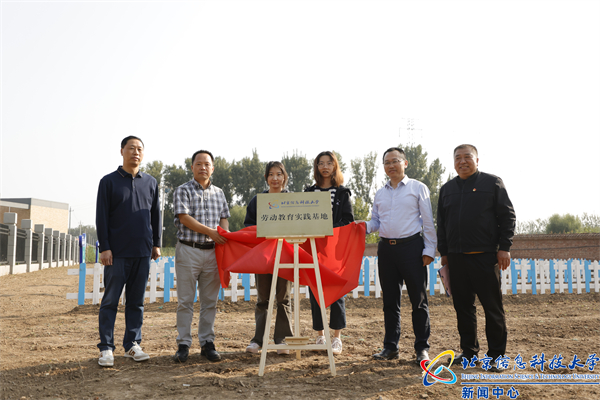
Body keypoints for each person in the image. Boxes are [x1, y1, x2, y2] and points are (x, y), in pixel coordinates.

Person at [437, 144, 515, 371]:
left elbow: (507, 216)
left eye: (467, 157)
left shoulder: (492, 183)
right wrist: (444, 252)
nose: (462, 161)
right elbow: (441, 223)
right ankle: (469, 352)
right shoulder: (447, 189)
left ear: (477, 160)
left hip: (485, 257)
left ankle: (497, 356)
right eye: (457, 158)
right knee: (463, 308)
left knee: (492, 308)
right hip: (456, 259)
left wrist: (504, 247)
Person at [357, 147, 436, 364]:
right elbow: (376, 221)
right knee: (390, 301)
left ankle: (422, 348)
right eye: (387, 162)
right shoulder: (380, 193)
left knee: (418, 301)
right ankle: (390, 347)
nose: (391, 165)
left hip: (412, 248)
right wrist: (362, 226)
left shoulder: (418, 188)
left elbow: (428, 221)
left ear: (405, 163)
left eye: (395, 161)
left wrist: (429, 250)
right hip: (386, 250)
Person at [96, 136, 161, 367]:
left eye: (139, 149)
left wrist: (156, 243)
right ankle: (106, 347)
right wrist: (105, 247)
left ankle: (132, 344)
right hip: (116, 254)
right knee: (110, 301)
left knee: (136, 302)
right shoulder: (108, 182)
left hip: (142, 252)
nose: (136, 152)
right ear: (122, 151)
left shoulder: (151, 182)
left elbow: (156, 215)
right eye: (131, 148)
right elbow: (101, 217)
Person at [172, 150, 230, 363]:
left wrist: (224, 235)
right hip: (188, 250)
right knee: (185, 301)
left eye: (207, 164)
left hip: (213, 252)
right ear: (192, 167)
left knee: (210, 302)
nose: (203, 167)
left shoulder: (219, 193)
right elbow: (184, 218)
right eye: (199, 164)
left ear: (212, 168)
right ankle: (183, 344)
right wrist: (211, 232)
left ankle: (207, 343)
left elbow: (224, 218)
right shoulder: (182, 190)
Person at [304, 151, 354, 355]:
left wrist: (328, 229)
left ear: (335, 167)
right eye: (321, 163)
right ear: (316, 167)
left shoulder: (342, 193)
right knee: (315, 291)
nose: (325, 167)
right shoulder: (309, 192)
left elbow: (348, 220)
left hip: (334, 250)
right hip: (313, 248)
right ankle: (320, 336)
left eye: (328, 163)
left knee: (337, 292)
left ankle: (337, 338)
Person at [244, 161, 294, 355]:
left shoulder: (292, 200)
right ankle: (258, 340)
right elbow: (249, 227)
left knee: (284, 298)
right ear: (266, 178)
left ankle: (282, 340)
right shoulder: (258, 201)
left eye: (279, 174)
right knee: (262, 299)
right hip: (263, 255)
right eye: (271, 174)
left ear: (284, 177)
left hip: (286, 255)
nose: (275, 178)